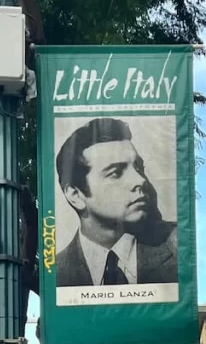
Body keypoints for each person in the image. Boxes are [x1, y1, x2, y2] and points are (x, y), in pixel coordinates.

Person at [55, 117, 178, 288]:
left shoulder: (178, 246)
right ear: (75, 194)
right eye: (115, 173)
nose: (140, 180)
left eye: (138, 168)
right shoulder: (55, 274)